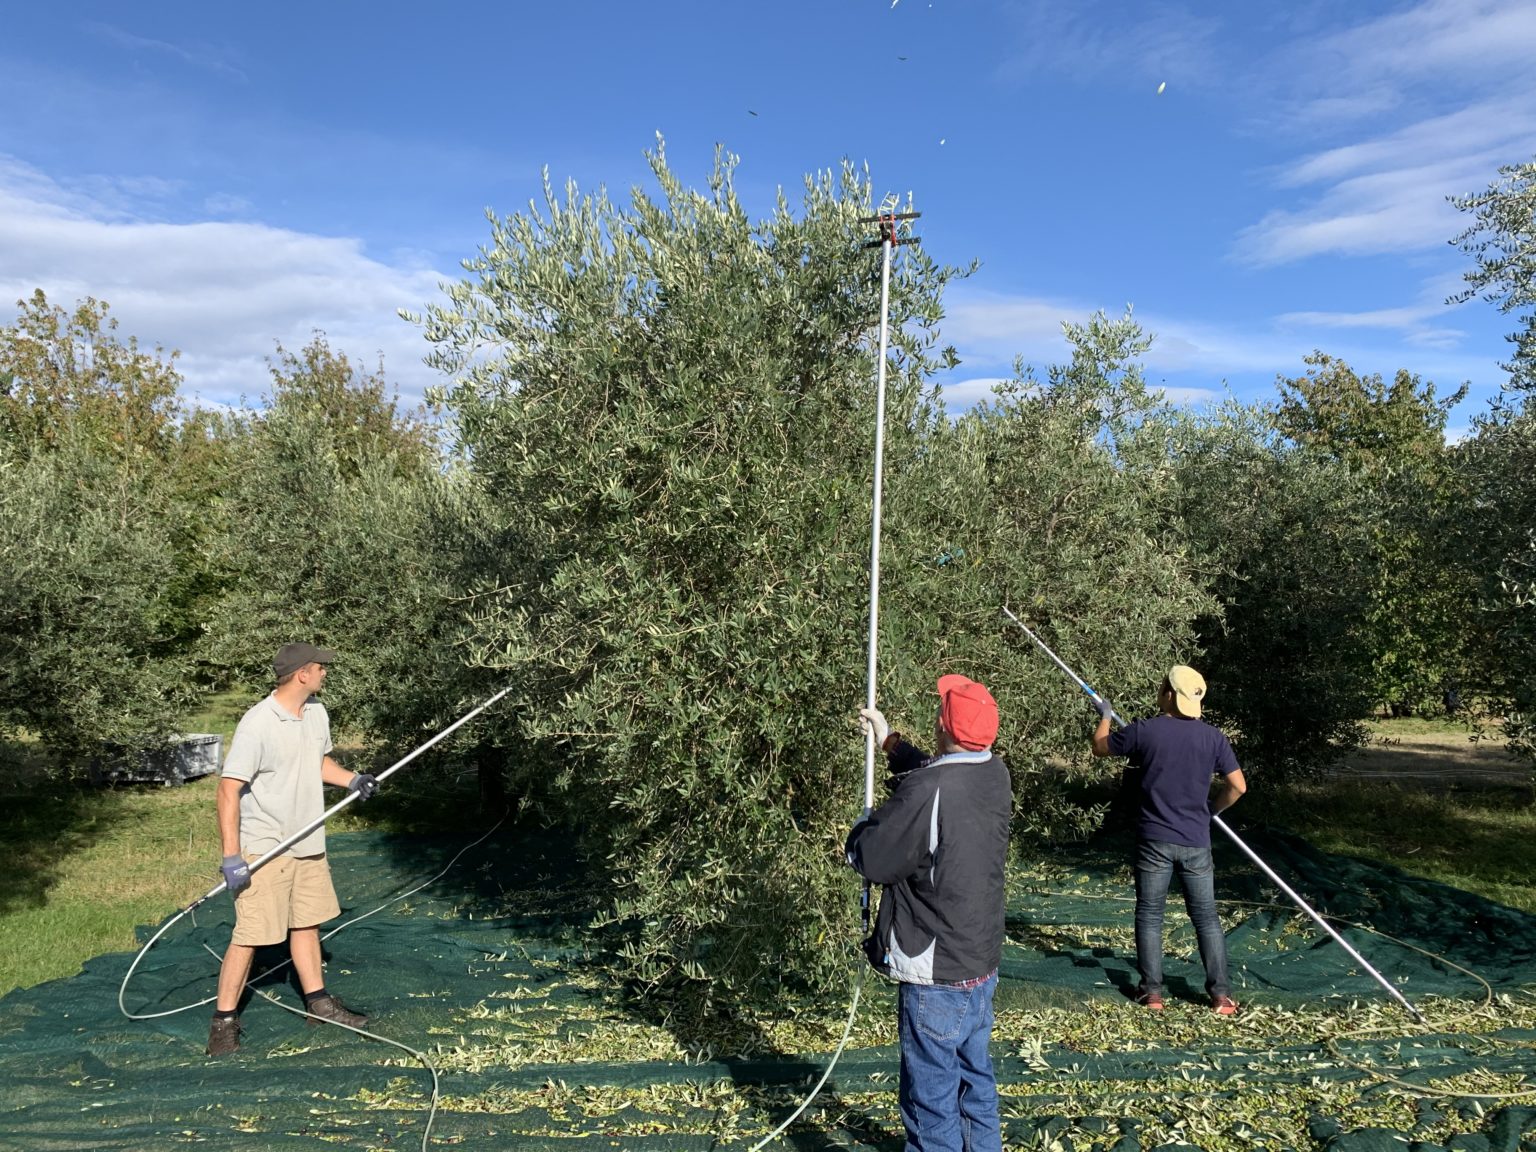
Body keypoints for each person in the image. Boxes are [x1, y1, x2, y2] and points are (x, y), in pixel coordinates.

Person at [846, 675, 1012, 1152]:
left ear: (943, 724)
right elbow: (938, 775)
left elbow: (874, 859)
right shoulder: (995, 773)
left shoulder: (928, 789)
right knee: (974, 1083)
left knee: (931, 1101)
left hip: (936, 970)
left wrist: (860, 831)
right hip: (980, 963)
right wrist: (889, 741)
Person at [206, 643, 379, 1057]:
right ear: (302, 673)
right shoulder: (258, 724)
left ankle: (318, 1004)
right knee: (251, 934)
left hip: (308, 837)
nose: (325, 674)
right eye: (321, 668)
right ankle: (223, 1023)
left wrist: (354, 780)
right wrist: (233, 856)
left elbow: (318, 763)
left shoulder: (316, 712)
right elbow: (228, 790)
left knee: (306, 923)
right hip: (266, 843)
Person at [1091, 665, 1246, 1014]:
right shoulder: (1214, 738)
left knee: (1149, 914)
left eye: (1163, 687)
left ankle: (1153, 994)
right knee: (1206, 917)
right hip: (1196, 841)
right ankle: (1221, 996)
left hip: (1154, 841)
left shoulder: (1145, 731)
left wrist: (1104, 714)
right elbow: (1238, 786)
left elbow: (1100, 747)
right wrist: (1212, 812)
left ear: (1169, 696)